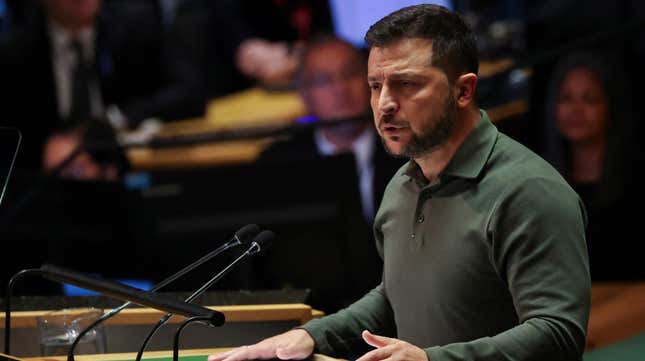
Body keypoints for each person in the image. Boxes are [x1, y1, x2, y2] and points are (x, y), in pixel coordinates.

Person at [210, 4, 590, 361]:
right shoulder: (402, 185)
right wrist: (312, 335)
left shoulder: (528, 190)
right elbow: (395, 298)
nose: (385, 103)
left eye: (406, 84)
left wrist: (431, 359)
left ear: (464, 90)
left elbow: (557, 333)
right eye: (376, 85)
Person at [260, 35, 404, 222]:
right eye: (324, 80)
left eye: (350, 74)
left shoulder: (410, 153)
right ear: (305, 95)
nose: (340, 89)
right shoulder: (278, 165)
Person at [542, 51, 643, 281]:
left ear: (611, 106)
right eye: (566, 98)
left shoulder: (636, 182)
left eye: (590, 99)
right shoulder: (539, 183)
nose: (576, 110)